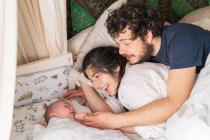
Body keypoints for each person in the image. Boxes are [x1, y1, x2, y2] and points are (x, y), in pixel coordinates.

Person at [77, 0, 210, 131]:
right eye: (118, 44)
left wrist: (114, 122)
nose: (121, 51)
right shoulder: (145, 56)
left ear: (147, 35)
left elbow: (174, 102)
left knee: (188, 125)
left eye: (126, 43)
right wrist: (90, 89)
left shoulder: (181, 39)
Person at [67, 46, 169, 139]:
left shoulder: (129, 84)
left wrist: (115, 124)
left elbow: (160, 129)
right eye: (92, 81)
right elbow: (106, 113)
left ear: (116, 66)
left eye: (97, 76)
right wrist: (84, 84)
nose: (97, 86)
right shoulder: (131, 76)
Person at [32, 99, 129, 140]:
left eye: (71, 107)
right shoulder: (50, 126)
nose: (72, 108)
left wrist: (83, 119)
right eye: (66, 106)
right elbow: (37, 135)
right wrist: (38, 126)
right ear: (53, 115)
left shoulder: (75, 122)